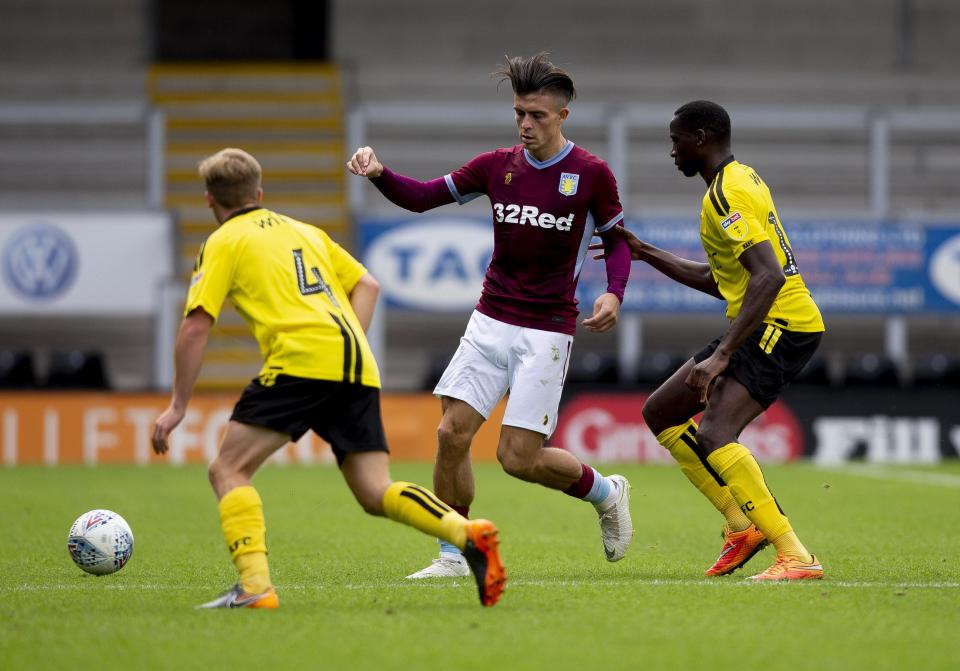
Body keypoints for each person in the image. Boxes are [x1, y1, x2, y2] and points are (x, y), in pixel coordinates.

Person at [151, 148, 506, 608]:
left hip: (299, 360)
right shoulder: (305, 231)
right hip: (356, 361)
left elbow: (196, 325)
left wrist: (178, 404)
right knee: (375, 491)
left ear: (209, 200)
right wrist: (343, 345)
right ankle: (468, 533)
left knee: (228, 469)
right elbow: (368, 285)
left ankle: (256, 588)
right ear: (259, 193)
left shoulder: (223, 241)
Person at [346, 52, 635, 579]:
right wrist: (379, 173)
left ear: (562, 116)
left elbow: (617, 242)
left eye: (538, 116)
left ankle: (606, 491)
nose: (526, 124)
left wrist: (614, 292)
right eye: (520, 113)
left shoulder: (591, 174)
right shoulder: (495, 166)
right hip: (490, 318)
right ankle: (453, 554)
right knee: (451, 433)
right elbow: (422, 197)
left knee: (517, 458)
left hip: (547, 327)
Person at [597, 100, 824, 580]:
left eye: (676, 140)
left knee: (717, 432)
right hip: (762, 319)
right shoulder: (739, 181)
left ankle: (795, 555)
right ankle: (743, 523)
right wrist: (645, 253)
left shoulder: (728, 194)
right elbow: (723, 279)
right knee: (661, 411)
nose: (672, 151)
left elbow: (769, 278)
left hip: (781, 324)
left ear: (700, 137)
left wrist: (721, 356)